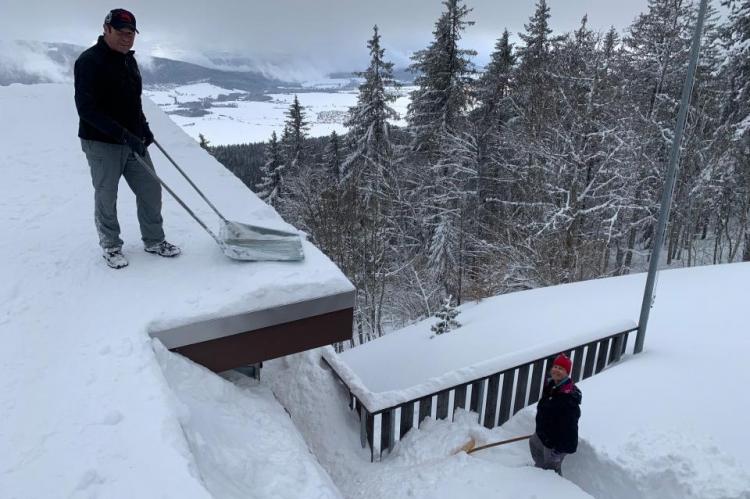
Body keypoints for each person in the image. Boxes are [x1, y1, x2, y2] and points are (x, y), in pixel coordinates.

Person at [74, 8, 180, 269]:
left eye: (131, 33)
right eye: (121, 32)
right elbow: (87, 110)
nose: (127, 38)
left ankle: (154, 240)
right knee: (106, 195)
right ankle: (111, 245)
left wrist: (143, 127)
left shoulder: (128, 61)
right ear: (106, 29)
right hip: (101, 143)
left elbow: (133, 102)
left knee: (151, 189)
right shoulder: (89, 61)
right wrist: (122, 134)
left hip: (133, 140)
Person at [529, 353, 582, 476]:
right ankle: (539, 471)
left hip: (556, 443)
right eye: (555, 367)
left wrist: (560, 450)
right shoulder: (552, 386)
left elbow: (570, 427)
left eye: (561, 368)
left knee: (551, 469)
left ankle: (552, 487)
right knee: (533, 443)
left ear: (567, 373)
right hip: (544, 434)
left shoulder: (568, 399)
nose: (557, 370)